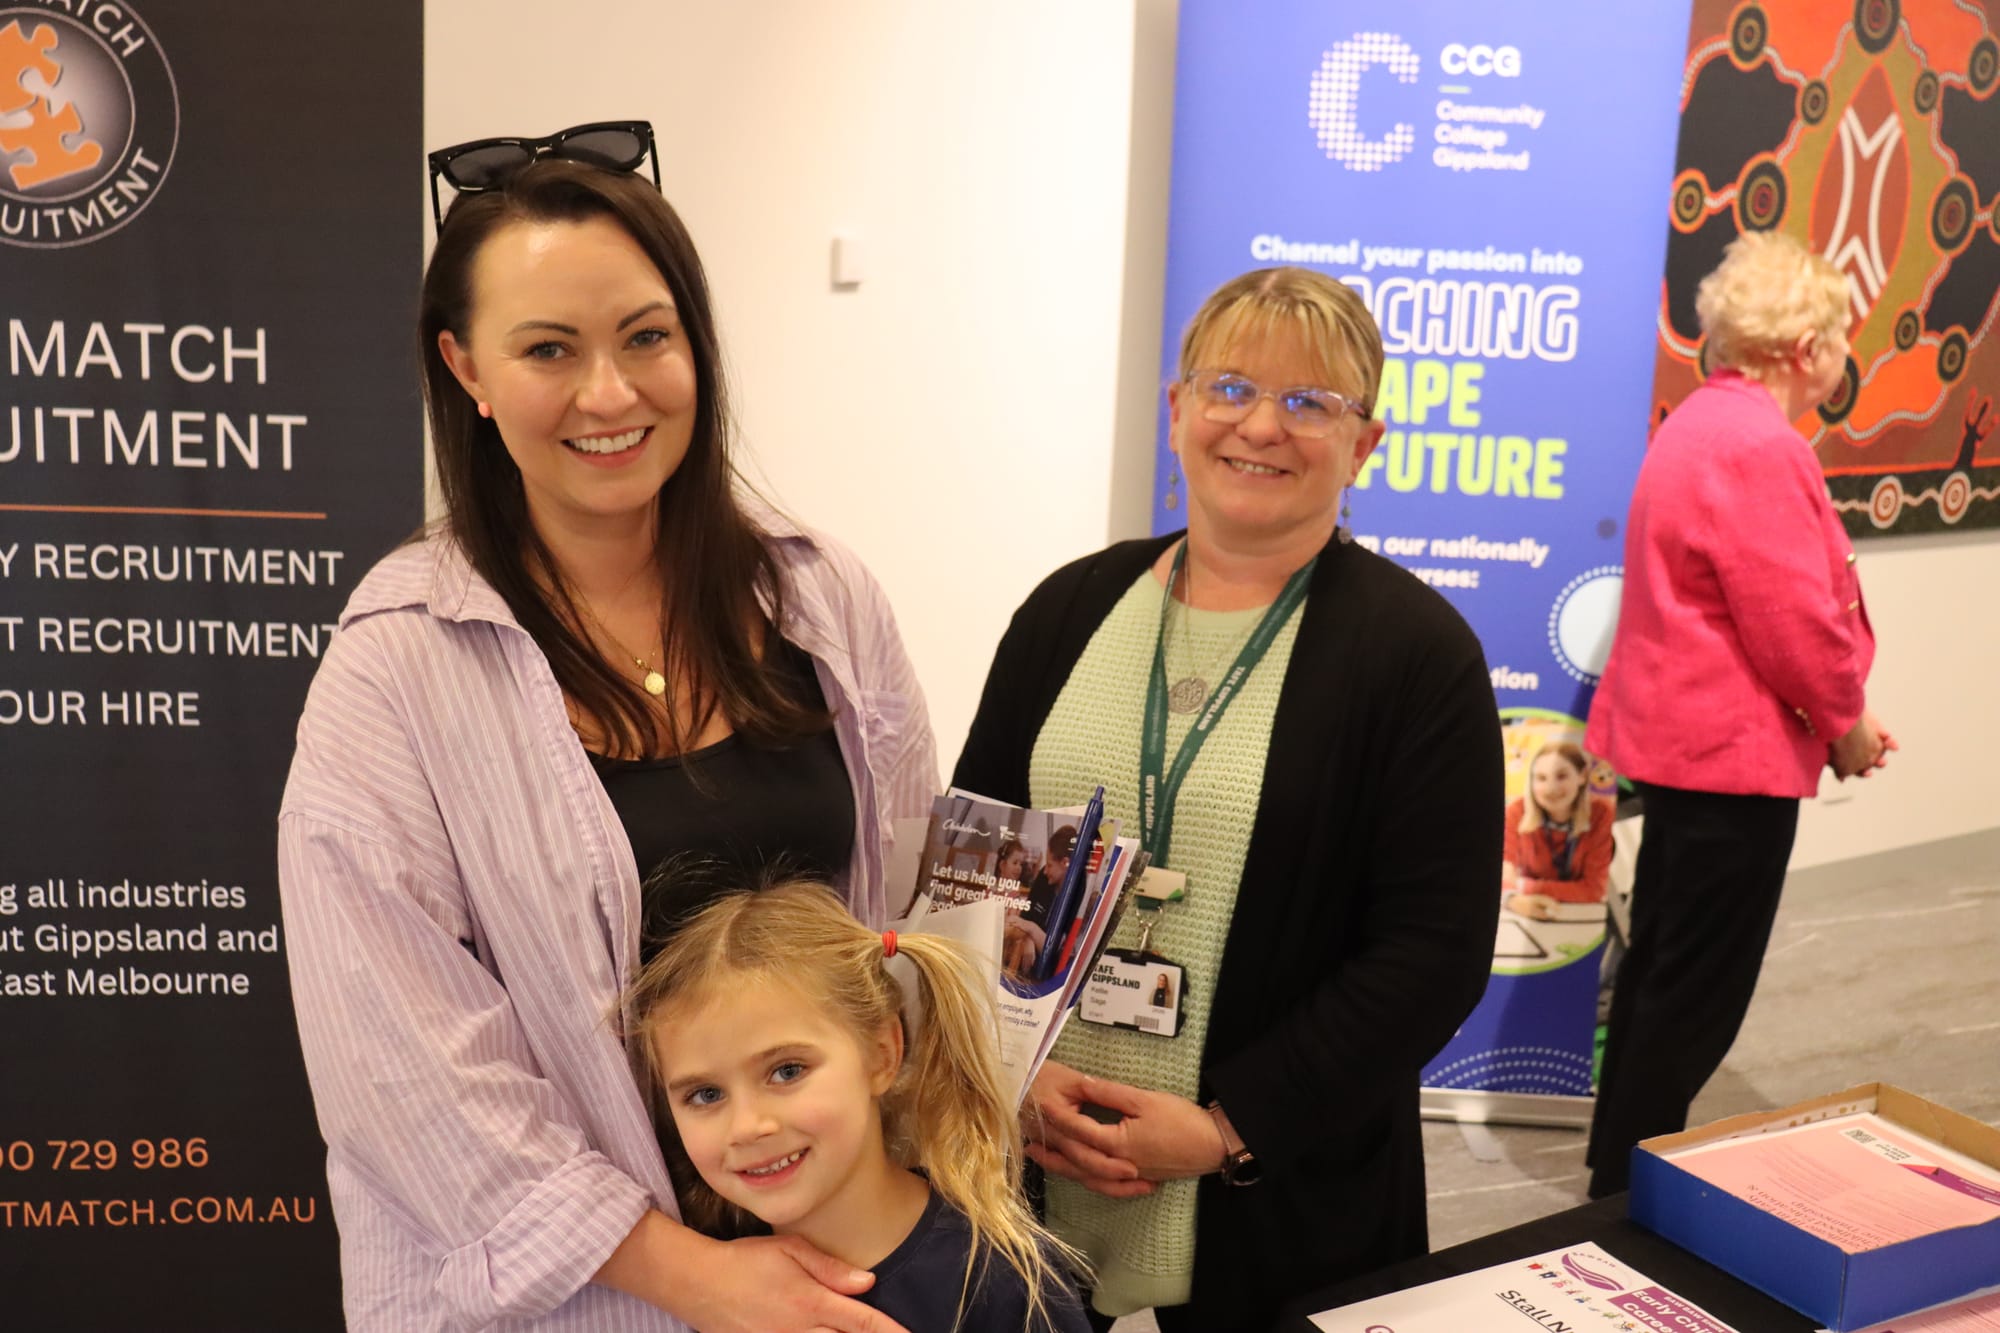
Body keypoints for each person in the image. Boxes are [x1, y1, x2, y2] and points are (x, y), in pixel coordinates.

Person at [277, 126, 937, 1333]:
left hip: (836, 1271)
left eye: (645, 337)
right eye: (548, 349)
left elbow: (901, 912)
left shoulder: (821, 596)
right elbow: (404, 1072)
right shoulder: (399, 667)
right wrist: (697, 1277)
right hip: (575, 1307)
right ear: (465, 369)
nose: (609, 394)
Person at [953, 266, 1503, 1330]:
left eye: (1309, 402)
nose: (1261, 425)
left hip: (1282, 1189)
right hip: (1032, 1153)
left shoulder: (1418, 657)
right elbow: (970, 872)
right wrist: (1008, 1076)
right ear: (1178, 410)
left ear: (1364, 444)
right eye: (1231, 388)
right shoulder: (1067, 610)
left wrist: (1224, 1127)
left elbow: (1430, 956)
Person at [1584, 230, 1892, 1198]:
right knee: (1694, 993)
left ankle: (1614, 1169)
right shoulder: (1760, 446)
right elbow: (1792, 620)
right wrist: (1845, 721)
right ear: (1805, 348)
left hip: (1685, 750)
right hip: (1729, 759)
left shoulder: (1698, 425)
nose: (1845, 353)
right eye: (1841, 334)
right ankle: (1626, 1193)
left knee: (1660, 971)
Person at [630, 878, 1093, 1333]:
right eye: (706, 1095)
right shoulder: (704, 1273)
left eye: (787, 1071)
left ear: (882, 1054)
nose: (747, 1127)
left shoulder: (1005, 1283)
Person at [1502, 742, 1615, 920]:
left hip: (1577, 916)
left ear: (1582, 776)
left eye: (1561, 776)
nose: (1551, 789)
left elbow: (1594, 889)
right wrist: (1512, 899)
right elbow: (1501, 874)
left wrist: (1524, 886)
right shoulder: (1516, 812)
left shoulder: (1600, 813)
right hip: (1526, 917)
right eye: (1541, 778)